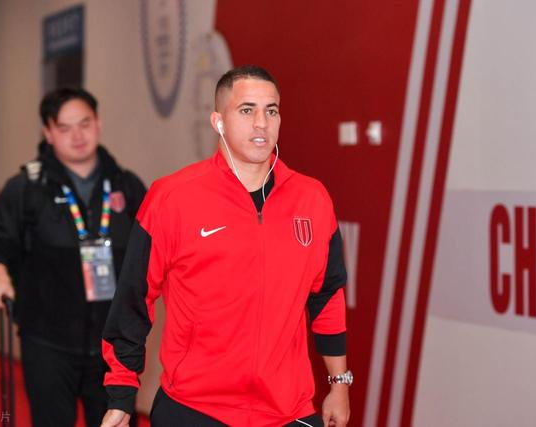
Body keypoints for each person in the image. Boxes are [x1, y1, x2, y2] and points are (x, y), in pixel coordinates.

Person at [100, 65, 352, 427]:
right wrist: (121, 395)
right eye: (247, 110)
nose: (261, 123)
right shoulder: (172, 198)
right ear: (218, 121)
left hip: (287, 410)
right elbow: (133, 300)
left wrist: (339, 385)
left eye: (271, 110)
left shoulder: (312, 199)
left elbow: (327, 296)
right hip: (194, 408)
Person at [0, 88, 146, 427]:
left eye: (85, 124)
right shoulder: (27, 188)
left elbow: (154, 251)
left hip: (114, 346)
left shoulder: (126, 187)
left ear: (98, 124)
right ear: (48, 132)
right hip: (47, 342)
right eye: (65, 128)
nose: (77, 136)